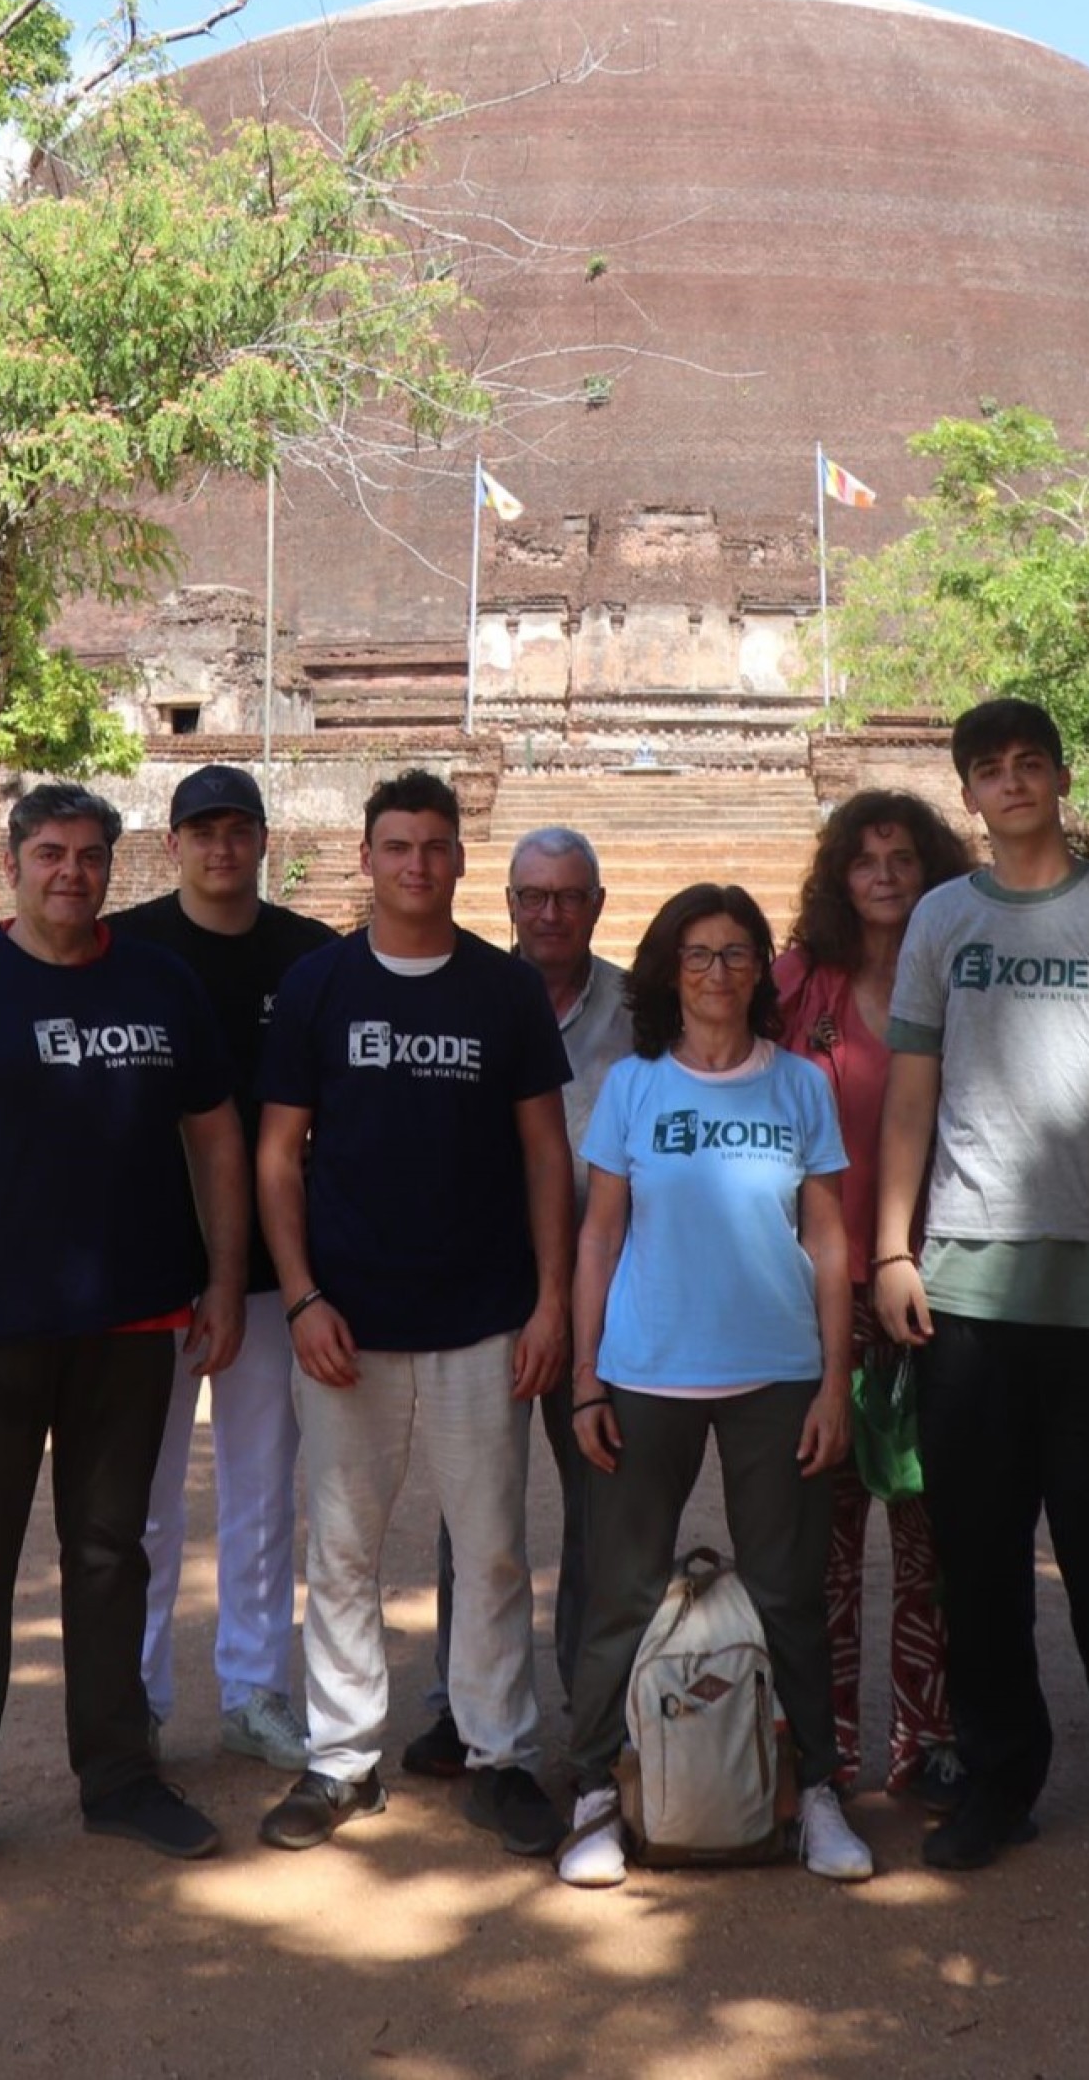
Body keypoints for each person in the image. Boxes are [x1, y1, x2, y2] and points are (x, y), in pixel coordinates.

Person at [0, 782, 249, 1890]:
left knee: (110, 1552)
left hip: (131, 1321)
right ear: (12, 866)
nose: (70, 871)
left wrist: (223, 1281)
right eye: (49, 853)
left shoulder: (159, 982)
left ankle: (119, 1775)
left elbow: (217, 1141)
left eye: (88, 854)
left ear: (113, 866)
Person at [873, 698, 1089, 1887]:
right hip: (967, 1285)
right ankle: (1000, 1779)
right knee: (978, 1555)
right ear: (968, 793)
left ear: (1061, 778)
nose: (1011, 783)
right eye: (988, 769)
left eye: (1029, 763)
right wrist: (890, 1249)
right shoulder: (942, 919)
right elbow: (909, 1100)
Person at [254, 770, 574, 1859]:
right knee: (343, 1546)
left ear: (460, 859)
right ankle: (342, 1758)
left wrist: (550, 1301)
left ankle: (499, 1753)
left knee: (490, 1547)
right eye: (397, 845)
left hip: (484, 1316)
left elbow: (544, 1151)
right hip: (349, 1317)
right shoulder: (319, 985)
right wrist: (299, 1295)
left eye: (436, 846)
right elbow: (275, 1155)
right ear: (365, 856)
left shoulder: (502, 990)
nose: (417, 864)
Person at [559, 883, 875, 1889]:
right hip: (647, 1369)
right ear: (667, 970)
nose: (718, 973)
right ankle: (595, 1797)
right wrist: (585, 1379)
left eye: (738, 953)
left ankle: (815, 1789)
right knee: (622, 1590)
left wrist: (835, 1380)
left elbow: (828, 1236)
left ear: (759, 970)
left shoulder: (798, 1087)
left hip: (776, 1371)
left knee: (789, 1592)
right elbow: (599, 1234)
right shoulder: (635, 1088)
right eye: (697, 954)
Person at [109, 764, 338, 1773]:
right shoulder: (126, 948)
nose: (220, 847)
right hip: (147, 1260)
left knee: (262, 1488)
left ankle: (253, 1688)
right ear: (173, 845)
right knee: (143, 1499)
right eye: (201, 831)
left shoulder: (312, 957)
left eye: (237, 829)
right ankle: (139, 1700)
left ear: (261, 839)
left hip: (270, 1268)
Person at [404, 824, 632, 1778]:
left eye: (569, 896)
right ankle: (467, 1705)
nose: (550, 913)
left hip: (612, 1292)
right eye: (533, 896)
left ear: (596, 905)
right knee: (476, 1507)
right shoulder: (476, 995)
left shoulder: (638, 1007)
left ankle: (595, 1700)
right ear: (506, 903)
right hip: (494, 1290)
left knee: (603, 1501)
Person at [774, 789, 967, 1795]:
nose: (885, 873)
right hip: (822, 1295)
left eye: (903, 856)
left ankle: (927, 1739)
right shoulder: (796, 986)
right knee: (828, 1535)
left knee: (933, 1530)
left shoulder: (966, 980)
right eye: (866, 858)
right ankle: (831, 1736)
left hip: (947, 1287)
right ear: (839, 876)